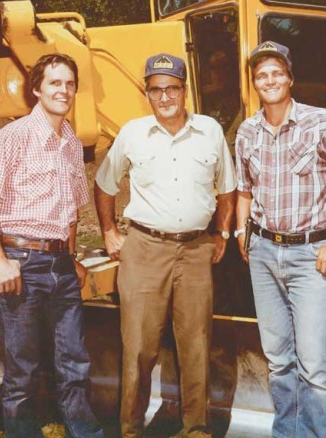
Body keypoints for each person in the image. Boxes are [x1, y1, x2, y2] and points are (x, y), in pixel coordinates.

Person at [94, 53, 236, 438]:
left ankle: (196, 428)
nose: (165, 97)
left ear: (184, 90)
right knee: (139, 347)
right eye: (156, 90)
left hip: (195, 251)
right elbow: (106, 185)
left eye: (172, 88)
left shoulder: (210, 131)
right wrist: (109, 231)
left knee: (195, 344)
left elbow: (228, 189)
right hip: (144, 249)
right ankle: (130, 429)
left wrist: (221, 233)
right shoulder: (132, 133)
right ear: (147, 94)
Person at [0, 53, 104, 438]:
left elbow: (73, 210)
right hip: (20, 263)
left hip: (60, 266)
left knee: (74, 363)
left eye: (70, 83)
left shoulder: (72, 143)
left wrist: (72, 256)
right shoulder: (11, 138)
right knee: (23, 371)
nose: (64, 90)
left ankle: (85, 433)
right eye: (55, 83)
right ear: (36, 90)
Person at [234, 41, 326, 438]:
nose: (269, 80)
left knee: (313, 366)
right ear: (254, 83)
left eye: (276, 72)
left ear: (289, 78)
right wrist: (242, 232)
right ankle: (285, 433)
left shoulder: (321, 122)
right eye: (261, 75)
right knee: (278, 360)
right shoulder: (247, 131)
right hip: (263, 252)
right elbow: (243, 188)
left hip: (311, 256)